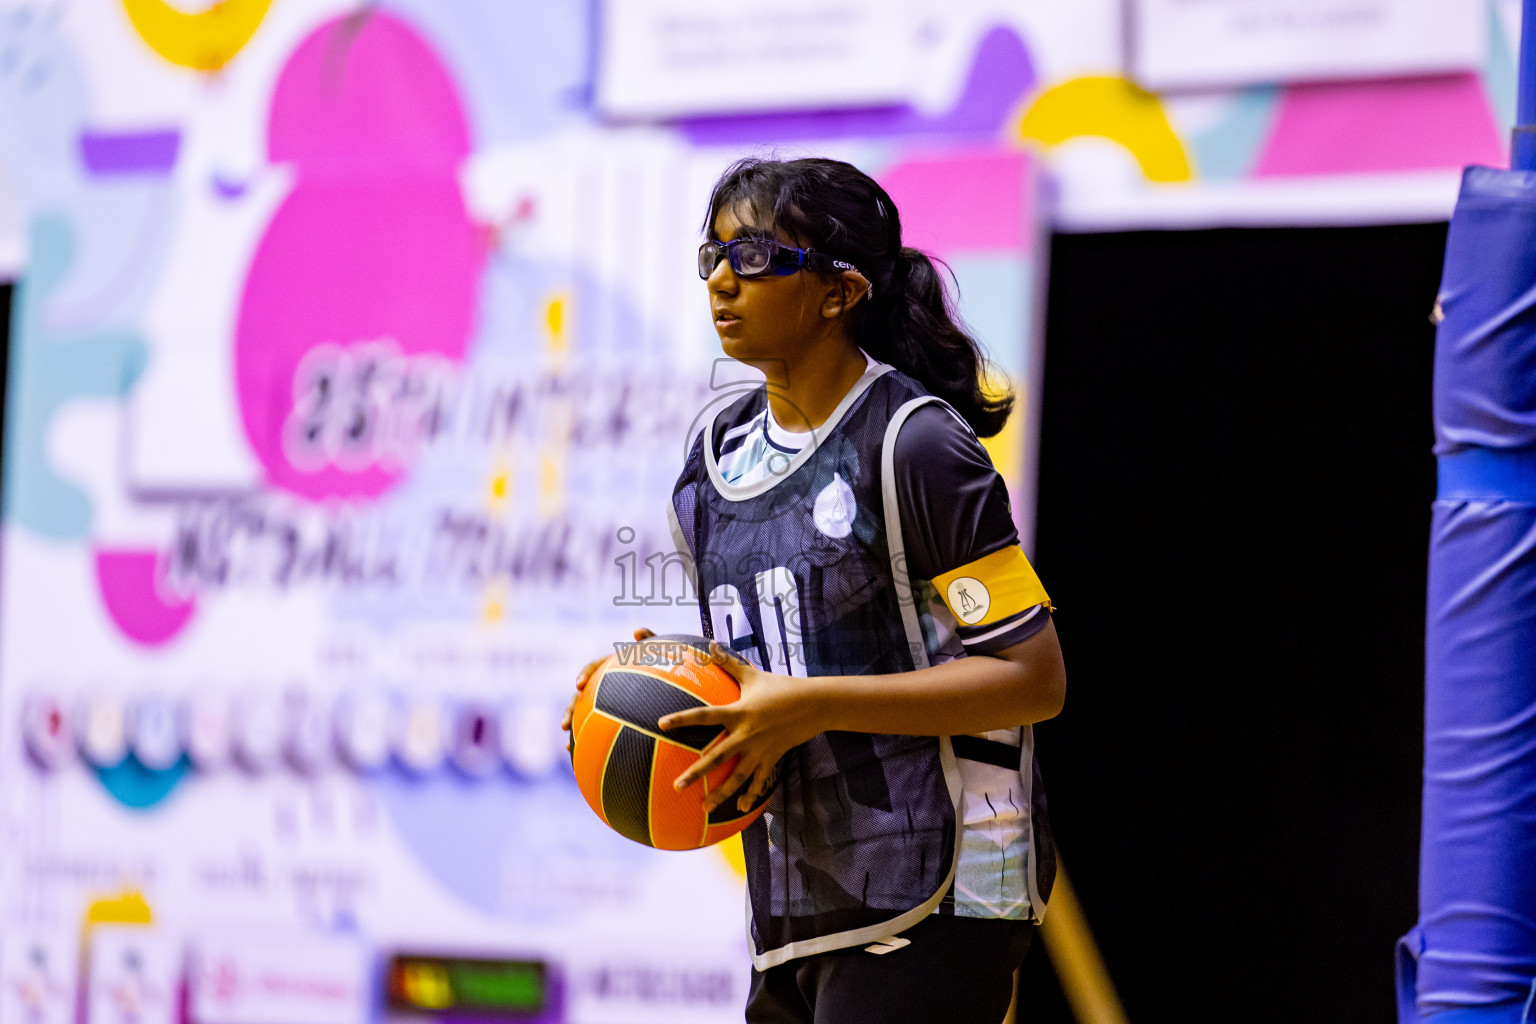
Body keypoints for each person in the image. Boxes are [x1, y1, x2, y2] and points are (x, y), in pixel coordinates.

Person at [561, 157, 1067, 1023]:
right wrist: (670, 682)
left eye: (754, 258)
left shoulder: (918, 445)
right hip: (801, 897)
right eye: (712, 256)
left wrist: (809, 706)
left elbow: (1034, 678)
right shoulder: (708, 469)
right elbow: (772, 671)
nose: (722, 279)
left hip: (949, 888)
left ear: (839, 294)